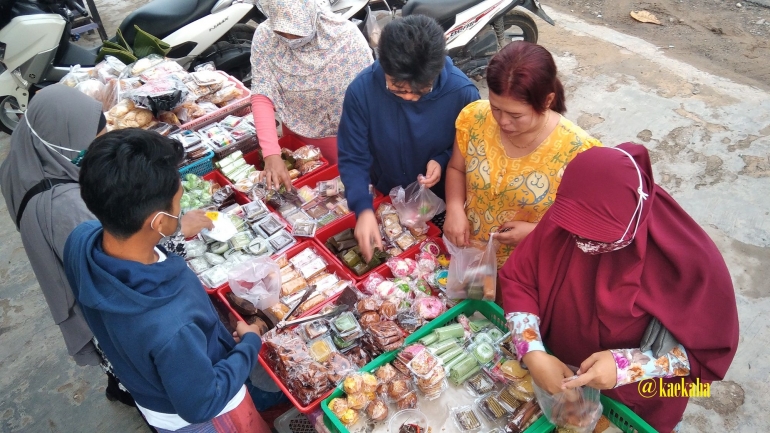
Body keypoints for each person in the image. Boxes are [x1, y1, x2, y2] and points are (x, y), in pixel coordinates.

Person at [500, 143, 739, 432]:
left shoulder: (690, 262)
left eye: (599, 236)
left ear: (634, 220)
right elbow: (520, 278)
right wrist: (533, 351)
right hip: (557, 368)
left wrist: (628, 366)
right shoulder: (568, 216)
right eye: (575, 230)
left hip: (639, 394)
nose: (582, 243)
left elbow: (709, 353)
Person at [0, 85, 214, 406]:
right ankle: (137, 393)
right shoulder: (67, 207)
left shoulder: (26, 158)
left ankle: (119, 384)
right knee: (128, 354)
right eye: (92, 144)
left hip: (68, 271)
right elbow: (122, 261)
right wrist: (176, 229)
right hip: (96, 297)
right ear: (63, 139)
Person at [63, 129, 276, 433]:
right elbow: (203, 402)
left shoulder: (80, 241)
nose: (182, 206)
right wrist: (250, 343)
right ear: (159, 221)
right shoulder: (171, 322)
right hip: (201, 418)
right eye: (178, 200)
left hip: (146, 387)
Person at [444, 41, 601, 269]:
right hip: (469, 250)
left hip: (527, 265)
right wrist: (455, 209)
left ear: (547, 101)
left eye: (516, 116)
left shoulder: (579, 152)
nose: (502, 121)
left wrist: (537, 232)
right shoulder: (475, 118)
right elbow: (457, 168)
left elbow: (591, 224)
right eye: (496, 108)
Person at [337, 15, 480, 261]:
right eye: (398, 89)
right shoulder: (361, 91)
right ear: (383, 66)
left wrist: (443, 158)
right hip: (388, 195)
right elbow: (353, 156)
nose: (409, 98)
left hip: (440, 202)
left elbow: (471, 153)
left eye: (421, 91)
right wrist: (363, 208)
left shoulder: (463, 94)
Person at [250, 0, 373, 188]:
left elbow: (372, 97)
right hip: (298, 142)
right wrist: (271, 154)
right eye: (281, 30)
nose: (289, 38)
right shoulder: (266, 37)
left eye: (296, 30)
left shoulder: (345, 37)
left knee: (348, 192)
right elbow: (262, 93)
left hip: (347, 142)